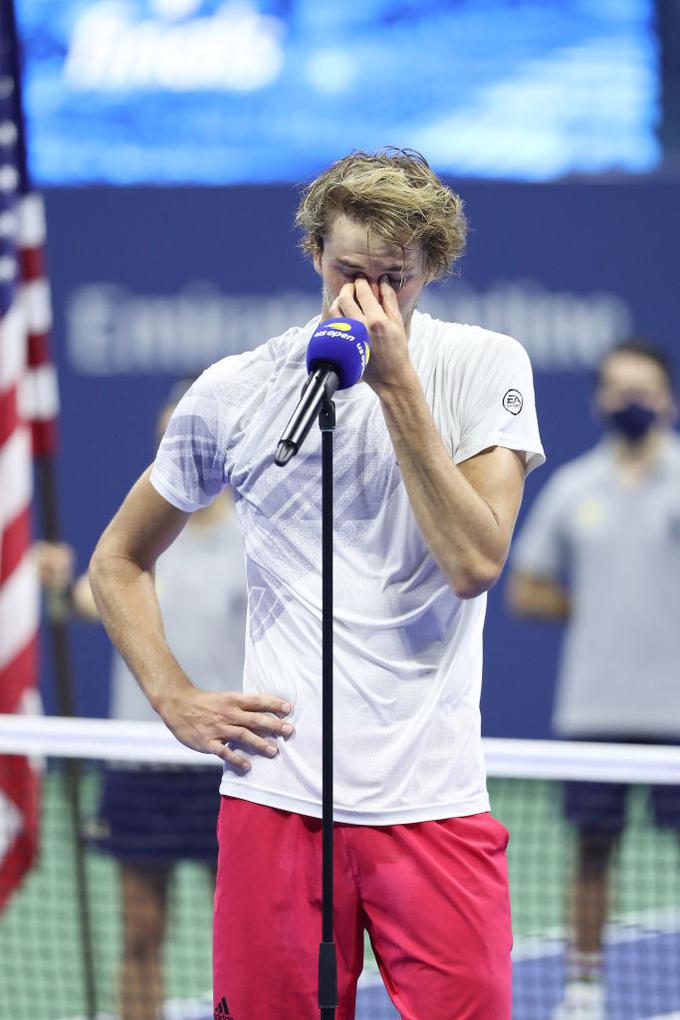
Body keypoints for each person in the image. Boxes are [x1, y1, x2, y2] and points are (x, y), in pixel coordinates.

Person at [89, 148, 545, 1020]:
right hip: (277, 799)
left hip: (434, 802)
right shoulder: (234, 391)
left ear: (432, 271)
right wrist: (174, 696)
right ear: (313, 256)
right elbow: (117, 561)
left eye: (393, 279)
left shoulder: (485, 366)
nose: (365, 299)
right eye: (347, 273)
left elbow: (474, 564)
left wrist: (398, 382)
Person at [39, 381, 247, 1020]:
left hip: (231, 764)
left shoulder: (256, 536)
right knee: (140, 932)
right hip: (140, 766)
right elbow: (78, 599)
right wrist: (48, 582)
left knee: (240, 939)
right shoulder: (137, 538)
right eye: (167, 440)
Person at [506, 341, 680, 1020]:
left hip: (676, 712)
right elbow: (527, 589)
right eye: (617, 388)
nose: (629, 401)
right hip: (594, 711)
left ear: (667, 399)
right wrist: (598, 609)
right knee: (590, 854)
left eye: (642, 389)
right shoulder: (575, 486)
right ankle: (582, 988)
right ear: (599, 401)